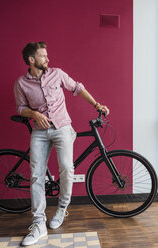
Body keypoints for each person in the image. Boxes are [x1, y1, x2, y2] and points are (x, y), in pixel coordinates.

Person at [14, 42, 109, 246]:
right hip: (39, 132)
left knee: (67, 168)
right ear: (31, 60)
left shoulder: (57, 74)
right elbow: (21, 108)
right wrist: (35, 114)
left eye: (47, 55)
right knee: (36, 175)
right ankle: (38, 224)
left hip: (62, 128)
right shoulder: (21, 83)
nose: (47, 59)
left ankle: (62, 208)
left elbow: (77, 88)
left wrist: (96, 104)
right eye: (43, 56)